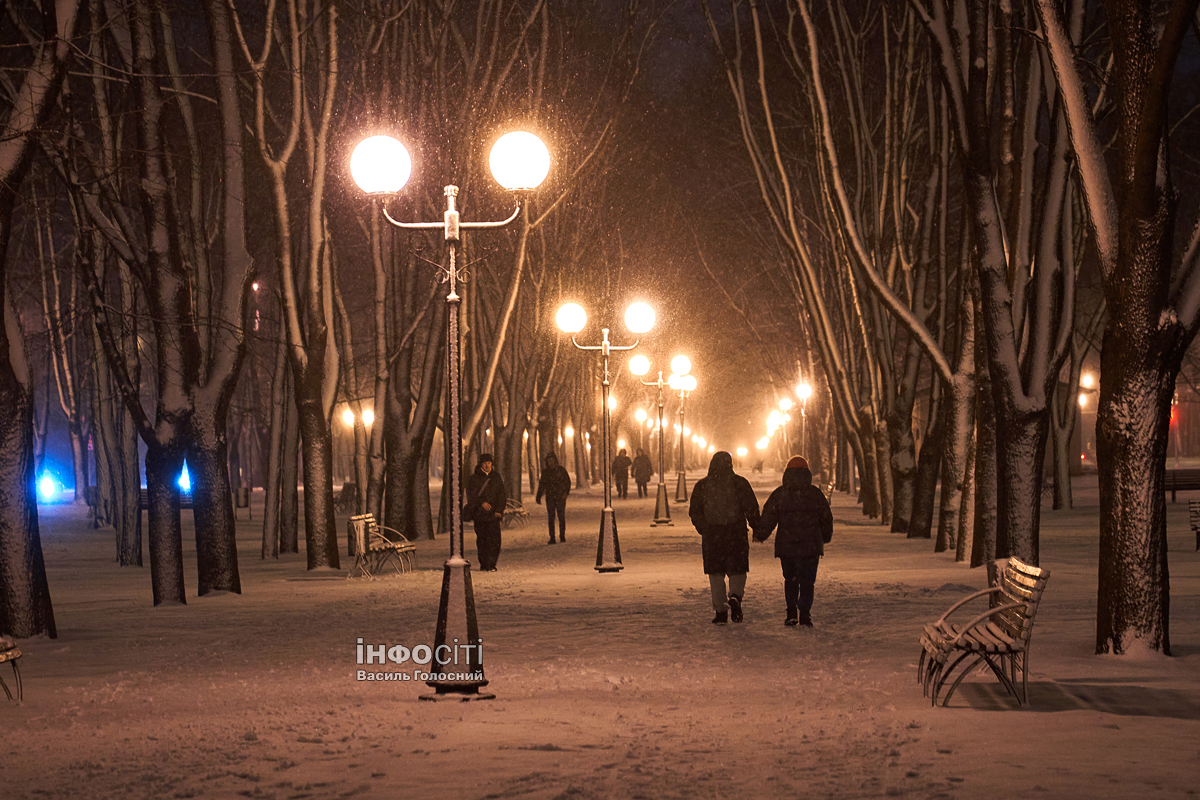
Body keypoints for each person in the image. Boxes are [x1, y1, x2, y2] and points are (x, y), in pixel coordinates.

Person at [754, 455, 833, 627]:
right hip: (811, 546)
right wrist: (825, 537)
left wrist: (760, 534)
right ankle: (805, 613)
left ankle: (791, 613)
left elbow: (769, 516)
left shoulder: (780, 494)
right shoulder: (815, 494)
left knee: (791, 579)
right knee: (807, 581)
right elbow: (826, 518)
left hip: (787, 545)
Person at [688, 451, 761, 624]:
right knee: (737, 568)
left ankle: (720, 611)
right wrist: (757, 528)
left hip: (713, 535)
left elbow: (695, 511)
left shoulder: (702, 486)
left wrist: (704, 528)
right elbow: (751, 507)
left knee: (716, 572)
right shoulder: (739, 483)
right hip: (736, 533)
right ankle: (735, 596)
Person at [464, 453, 506, 571]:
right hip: (480, 515)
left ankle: (492, 563)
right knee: (482, 540)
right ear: (480, 464)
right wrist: (481, 503)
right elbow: (471, 496)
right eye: (485, 463)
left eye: (489, 463)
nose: (487, 465)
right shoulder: (474, 478)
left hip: (494, 515)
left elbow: (502, 495)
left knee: (495, 540)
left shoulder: (496, 477)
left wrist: (499, 510)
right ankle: (484, 563)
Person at [535, 451, 572, 544]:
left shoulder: (561, 470)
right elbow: (542, 485)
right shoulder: (546, 472)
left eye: (552, 460)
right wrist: (538, 496)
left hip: (560, 497)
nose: (550, 463)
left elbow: (567, 482)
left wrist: (565, 493)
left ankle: (562, 535)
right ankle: (552, 537)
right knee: (551, 517)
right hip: (550, 496)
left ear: (555, 461)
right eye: (549, 461)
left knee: (561, 516)